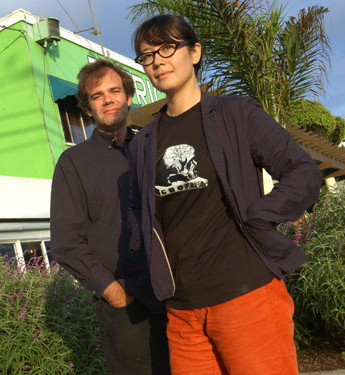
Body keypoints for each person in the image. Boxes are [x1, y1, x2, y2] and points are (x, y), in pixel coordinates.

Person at [128, 15, 323, 375]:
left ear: (195, 52)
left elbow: (304, 172)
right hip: (183, 312)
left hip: (247, 295)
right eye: (146, 55)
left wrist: (260, 215)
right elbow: (139, 209)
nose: (157, 60)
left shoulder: (235, 115)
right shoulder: (143, 143)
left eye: (167, 47)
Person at [50, 59, 170, 375]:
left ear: (129, 97)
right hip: (128, 307)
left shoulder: (152, 148)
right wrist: (116, 295)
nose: (108, 99)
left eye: (115, 90)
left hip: (177, 296)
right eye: (97, 95)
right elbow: (66, 243)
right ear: (88, 108)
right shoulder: (73, 163)